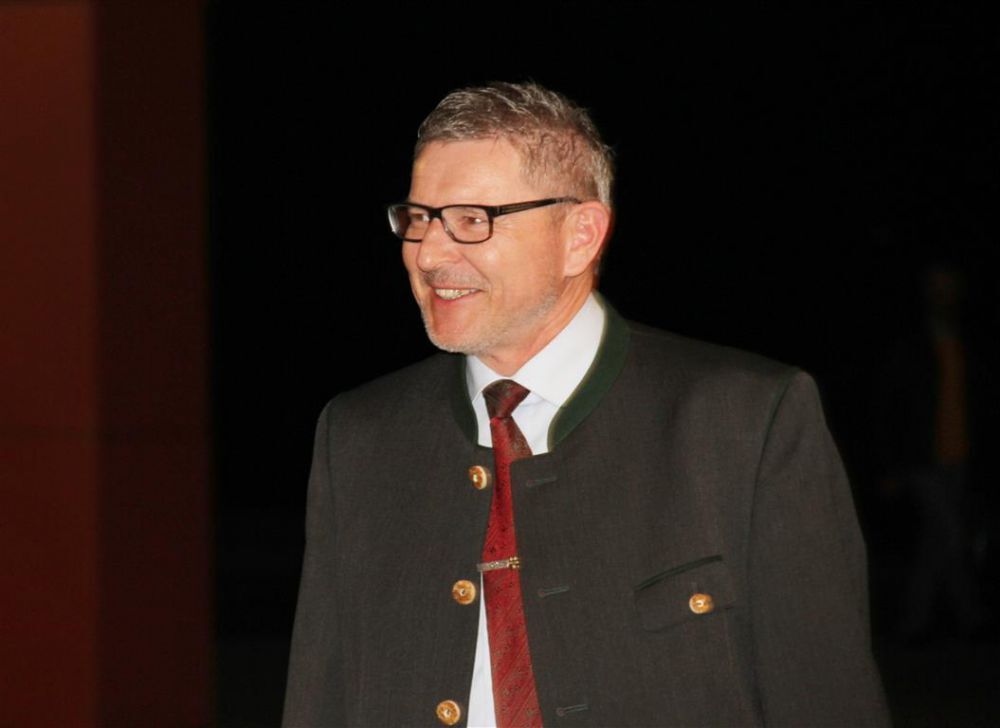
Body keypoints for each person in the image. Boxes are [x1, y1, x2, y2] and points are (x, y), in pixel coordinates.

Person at [282, 82, 889, 727]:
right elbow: (319, 700)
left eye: (471, 219)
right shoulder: (360, 436)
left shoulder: (743, 422)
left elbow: (828, 702)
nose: (428, 254)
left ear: (580, 235)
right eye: (418, 217)